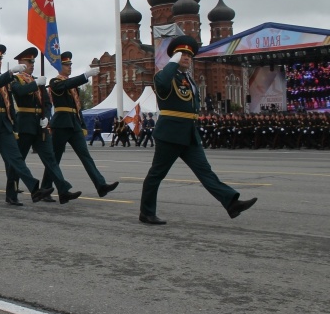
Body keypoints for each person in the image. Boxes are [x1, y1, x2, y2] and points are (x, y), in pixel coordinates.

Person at [139, 36, 258, 224]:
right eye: (182, 54)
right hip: (170, 134)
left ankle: (231, 203)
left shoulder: (189, 80)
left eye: (189, 55)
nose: (186, 57)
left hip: (188, 133)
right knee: (156, 174)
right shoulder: (166, 76)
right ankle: (146, 212)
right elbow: (160, 84)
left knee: (205, 172)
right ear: (174, 57)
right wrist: (172, 61)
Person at [0, 44, 54, 210]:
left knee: (16, 159)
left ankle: (35, 189)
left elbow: (9, 105)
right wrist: (10, 73)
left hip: (4, 124)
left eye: (1, 58)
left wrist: (13, 125)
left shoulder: (5, 80)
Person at [6, 47, 81, 206]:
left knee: (50, 159)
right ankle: (11, 194)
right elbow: (19, 92)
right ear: (20, 63)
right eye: (29, 62)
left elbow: (46, 102)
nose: (32, 64)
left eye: (33, 61)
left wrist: (46, 117)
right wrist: (35, 84)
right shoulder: (16, 79)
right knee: (19, 161)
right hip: (25, 123)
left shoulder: (35, 80)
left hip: (39, 124)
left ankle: (63, 190)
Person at [43, 52, 119, 199]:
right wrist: (85, 76)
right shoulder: (55, 82)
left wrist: (82, 125)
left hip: (74, 123)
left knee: (86, 156)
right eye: (66, 65)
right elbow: (66, 84)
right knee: (55, 158)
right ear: (59, 67)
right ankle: (46, 188)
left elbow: (78, 106)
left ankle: (101, 185)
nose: (69, 67)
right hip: (61, 124)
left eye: (70, 64)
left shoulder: (72, 85)